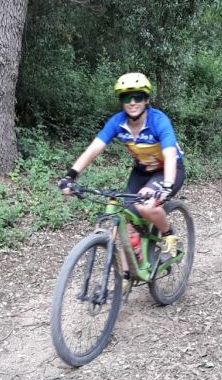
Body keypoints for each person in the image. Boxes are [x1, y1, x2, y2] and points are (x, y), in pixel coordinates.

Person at [57, 72, 185, 271]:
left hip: (168, 170)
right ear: (121, 101)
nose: (132, 102)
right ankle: (127, 275)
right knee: (124, 217)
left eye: (138, 97)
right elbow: (94, 149)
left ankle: (168, 233)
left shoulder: (158, 121)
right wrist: (71, 175)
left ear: (147, 99)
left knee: (145, 204)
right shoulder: (117, 122)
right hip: (142, 171)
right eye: (126, 97)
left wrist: (168, 185)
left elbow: (169, 154)